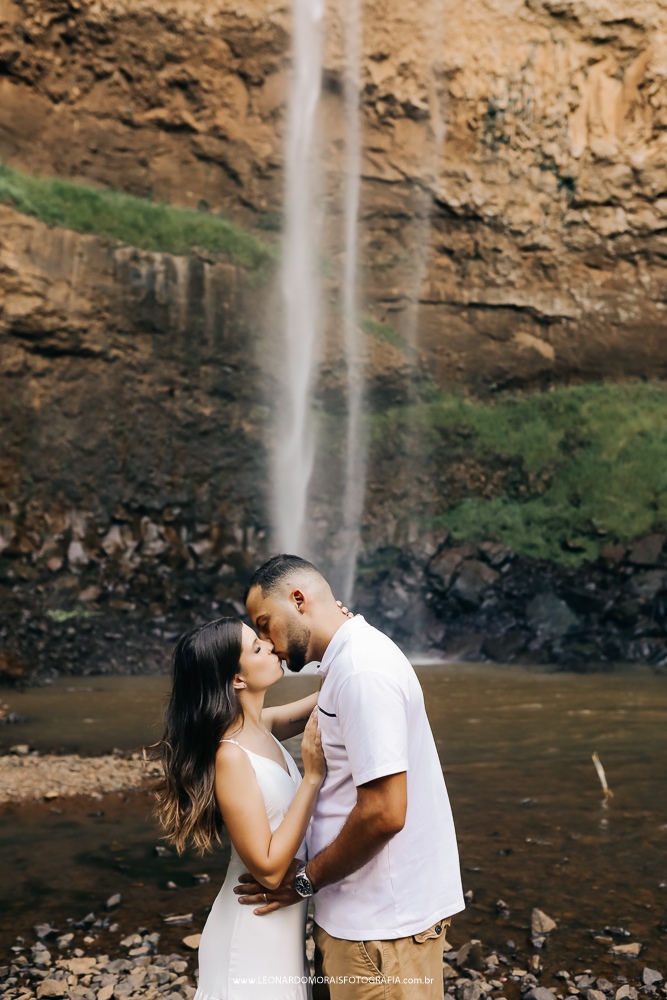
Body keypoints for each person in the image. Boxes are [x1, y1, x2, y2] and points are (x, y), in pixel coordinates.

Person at [237, 554, 465, 1000]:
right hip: (363, 920)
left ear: (298, 599)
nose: (267, 642)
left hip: (381, 930)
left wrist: (304, 882)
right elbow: (278, 721)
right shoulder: (346, 661)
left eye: (265, 624)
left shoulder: (362, 671)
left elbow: (384, 813)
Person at [151, 615, 334, 1000]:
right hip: (251, 931)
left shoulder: (260, 726)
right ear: (237, 679)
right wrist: (312, 777)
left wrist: (349, 651)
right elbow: (267, 871)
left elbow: (324, 699)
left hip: (279, 927)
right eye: (257, 647)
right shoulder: (230, 756)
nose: (270, 645)